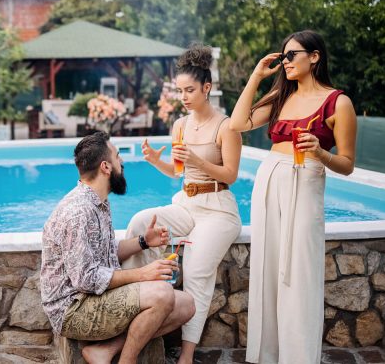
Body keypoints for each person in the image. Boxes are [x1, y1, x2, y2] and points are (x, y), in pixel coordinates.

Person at [228, 30, 357, 364]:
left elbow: (347, 164)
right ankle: (267, 356)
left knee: (300, 271)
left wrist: (321, 152)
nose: (285, 62)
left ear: (314, 57)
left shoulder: (338, 102)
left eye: (291, 55)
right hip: (270, 179)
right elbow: (237, 124)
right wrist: (257, 76)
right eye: (283, 56)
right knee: (267, 268)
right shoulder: (279, 96)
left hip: (307, 179)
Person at [122, 44, 242, 364]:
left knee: (197, 270)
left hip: (218, 209)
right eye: (180, 91)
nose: (184, 97)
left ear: (207, 87)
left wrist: (197, 161)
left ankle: (187, 353)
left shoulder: (226, 126)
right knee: (139, 222)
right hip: (187, 203)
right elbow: (178, 171)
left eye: (190, 90)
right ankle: (132, 308)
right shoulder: (180, 125)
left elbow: (231, 174)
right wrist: (154, 161)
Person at [40, 132, 195, 364]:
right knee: (162, 294)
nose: (121, 162)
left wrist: (144, 241)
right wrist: (144, 274)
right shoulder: (78, 212)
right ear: (105, 167)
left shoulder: (98, 202)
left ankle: (105, 350)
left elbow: (106, 251)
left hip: (94, 298)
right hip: (73, 310)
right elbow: (86, 279)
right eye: (117, 156)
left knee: (186, 305)